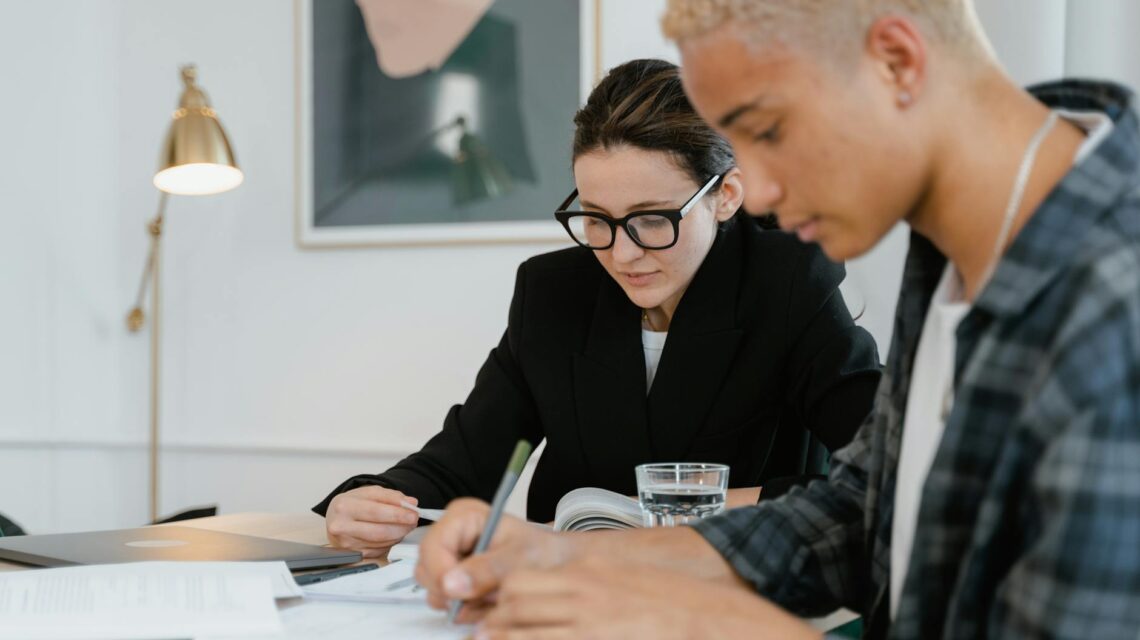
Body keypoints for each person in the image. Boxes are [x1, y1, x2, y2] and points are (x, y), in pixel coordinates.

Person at [413, 1, 1140, 638]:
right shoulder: (958, 251)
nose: (750, 192)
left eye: (767, 130)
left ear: (895, 61)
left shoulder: (1115, 304)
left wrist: (694, 622)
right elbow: (859, 515)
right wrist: (573, 556)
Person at [313, 58, 882, 559]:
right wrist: (365, 500)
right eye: (596, 217)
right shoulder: (553, 291)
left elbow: (881, 471)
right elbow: (463, 462)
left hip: (730, 594)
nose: (622, 252)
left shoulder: (787, 281)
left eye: (652, 217)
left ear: (725, 196)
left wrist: (691, 508)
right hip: (574, 592)